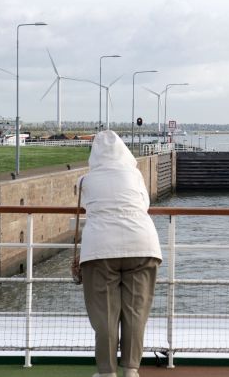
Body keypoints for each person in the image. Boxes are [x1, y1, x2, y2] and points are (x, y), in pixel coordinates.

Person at [79, 130, 162, 377]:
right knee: (136, 310)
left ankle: (106, 371)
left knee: (104, 313)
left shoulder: (85, 180)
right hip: (142, 245)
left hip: (100, 249)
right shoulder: (135, 175)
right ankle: (131, 369)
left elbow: (85, 206)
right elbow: (144, 204)